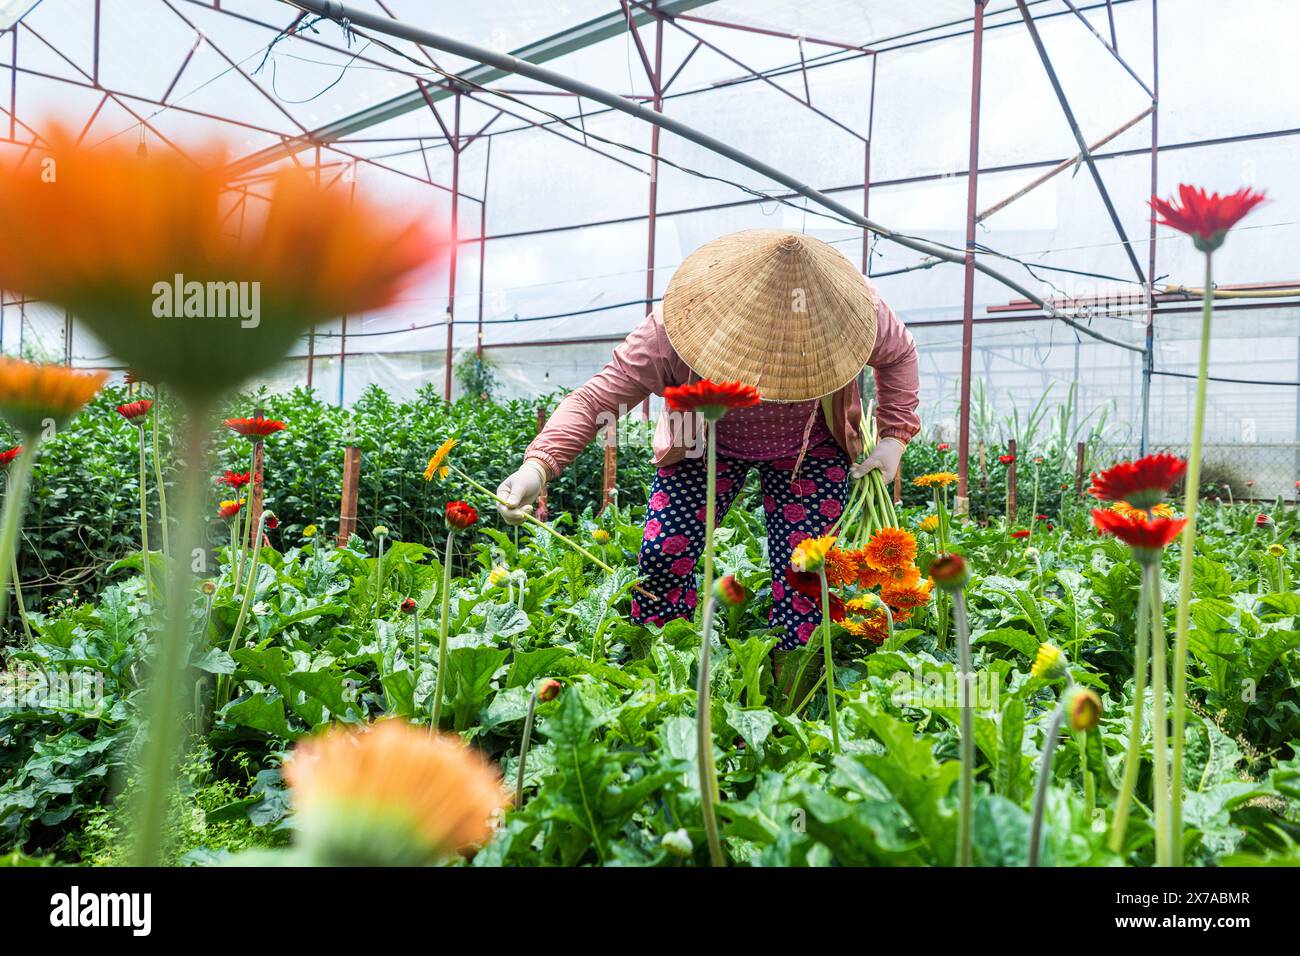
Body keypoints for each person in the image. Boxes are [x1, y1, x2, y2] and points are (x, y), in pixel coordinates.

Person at [495, 230, 920, 650]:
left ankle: (797, 680)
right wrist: (538, 466)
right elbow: (595, 400)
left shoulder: (856, 308)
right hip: (701, 443)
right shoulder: (673, 329)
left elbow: (899, 354)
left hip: (810, 447)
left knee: (807, 570)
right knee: (664, 552)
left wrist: (893, 438)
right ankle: (666, 662)